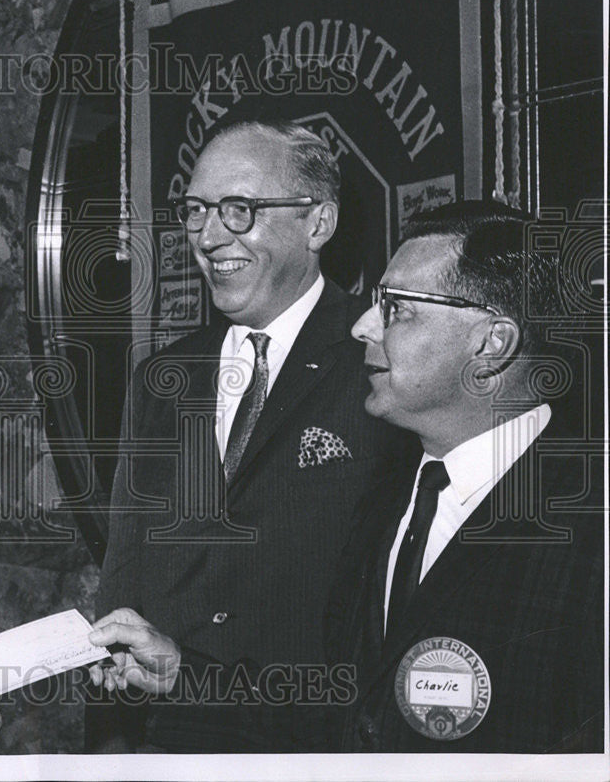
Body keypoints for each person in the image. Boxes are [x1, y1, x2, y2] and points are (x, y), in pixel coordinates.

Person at [90, 201, 603, 753]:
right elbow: (347, 712)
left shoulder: (589, 525)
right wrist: (181, 673)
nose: (362, 325)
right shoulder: (385, 496)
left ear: (491, 344)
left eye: (398, 308)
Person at [92, 120, 404, 752]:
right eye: (197, 211)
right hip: (165, 749)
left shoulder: (381, 361)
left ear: (318, 223)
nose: (209, 237)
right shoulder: (161, 380)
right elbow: (122, 586)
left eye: (240, 210)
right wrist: (110, 748)